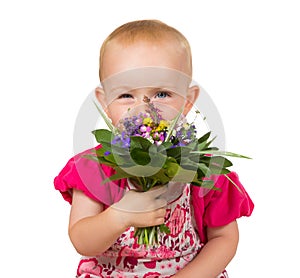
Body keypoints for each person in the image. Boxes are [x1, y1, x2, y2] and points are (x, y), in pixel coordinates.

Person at [54, 19, 254, 278]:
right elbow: (82, 241)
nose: (145, 108)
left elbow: (224, 239)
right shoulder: (94, 167)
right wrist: (120, 216)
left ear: (187, 100)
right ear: (104, 102)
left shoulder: (204, 171)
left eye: (162, 94)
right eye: (126, 95)